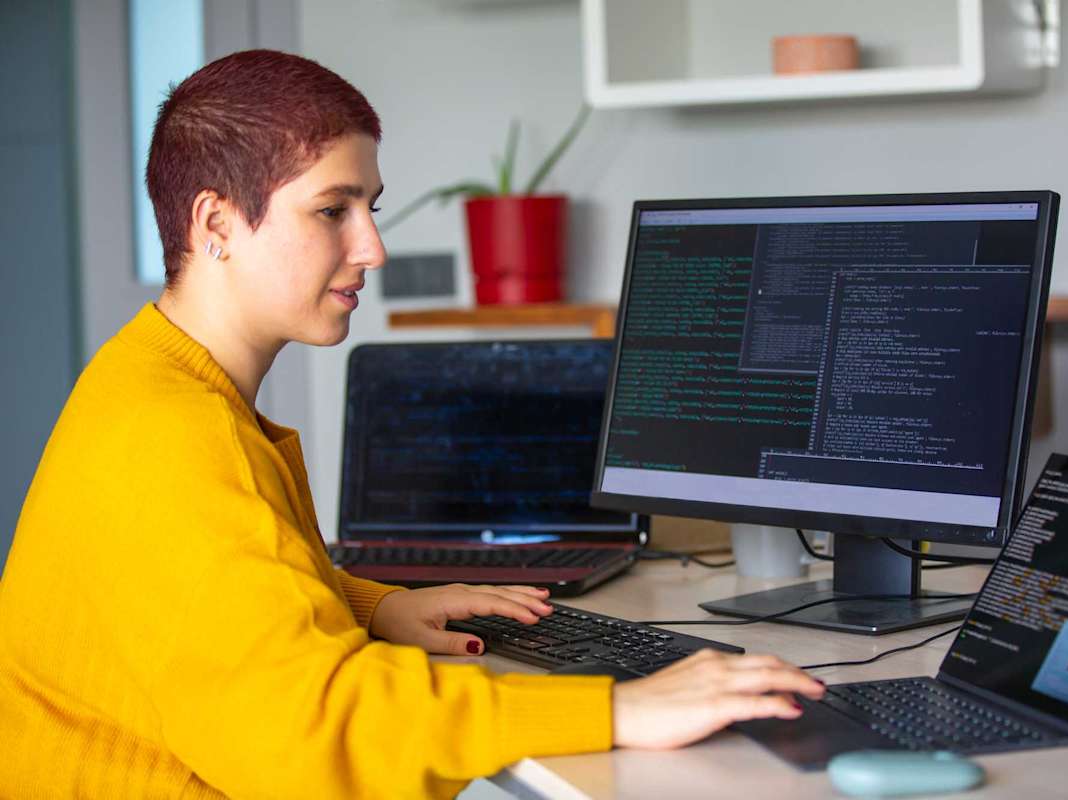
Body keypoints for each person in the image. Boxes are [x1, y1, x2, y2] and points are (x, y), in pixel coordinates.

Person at [0, 49, 824, 799]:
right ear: (216, 225)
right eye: (333, 210)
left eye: (371, 207)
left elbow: (204, 613)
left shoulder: (145, 377)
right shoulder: (173, 438)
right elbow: (312, 732)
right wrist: (615, 709)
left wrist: (371, 607)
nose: (373, 247)